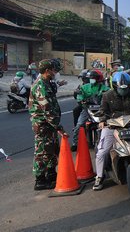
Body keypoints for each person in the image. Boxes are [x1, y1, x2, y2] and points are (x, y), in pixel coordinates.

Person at [93, 72, 130, 191]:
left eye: (126, 88)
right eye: (121, 88)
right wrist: (103, 120)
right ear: (115, 86)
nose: (123, 91)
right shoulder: (107, 96)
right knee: (102, 152)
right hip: (112, 125)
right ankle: (99, 176)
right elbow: (103, 110)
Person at [29, 59, 68, 190]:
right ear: (47, 71)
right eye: (54, 70)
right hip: (43, 125)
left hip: (49, 124)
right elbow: (47, 110)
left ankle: (51, 174)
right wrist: (59, 127)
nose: (55, 72)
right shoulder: (40, 86)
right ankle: (40, 180)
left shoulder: (47, 83)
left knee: (52, 149)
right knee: (42, 152)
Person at [71, 70, 109, 152]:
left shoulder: (104, 88)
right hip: (87, 109)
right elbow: (79, 96)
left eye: (94, 78)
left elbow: (110, 95)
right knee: (79, 124)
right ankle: (75, 143)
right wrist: (82, 101)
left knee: (109, 125)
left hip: (101, 110)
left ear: (98, 79)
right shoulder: (84, 87)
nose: (92, 79)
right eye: (91, 78)